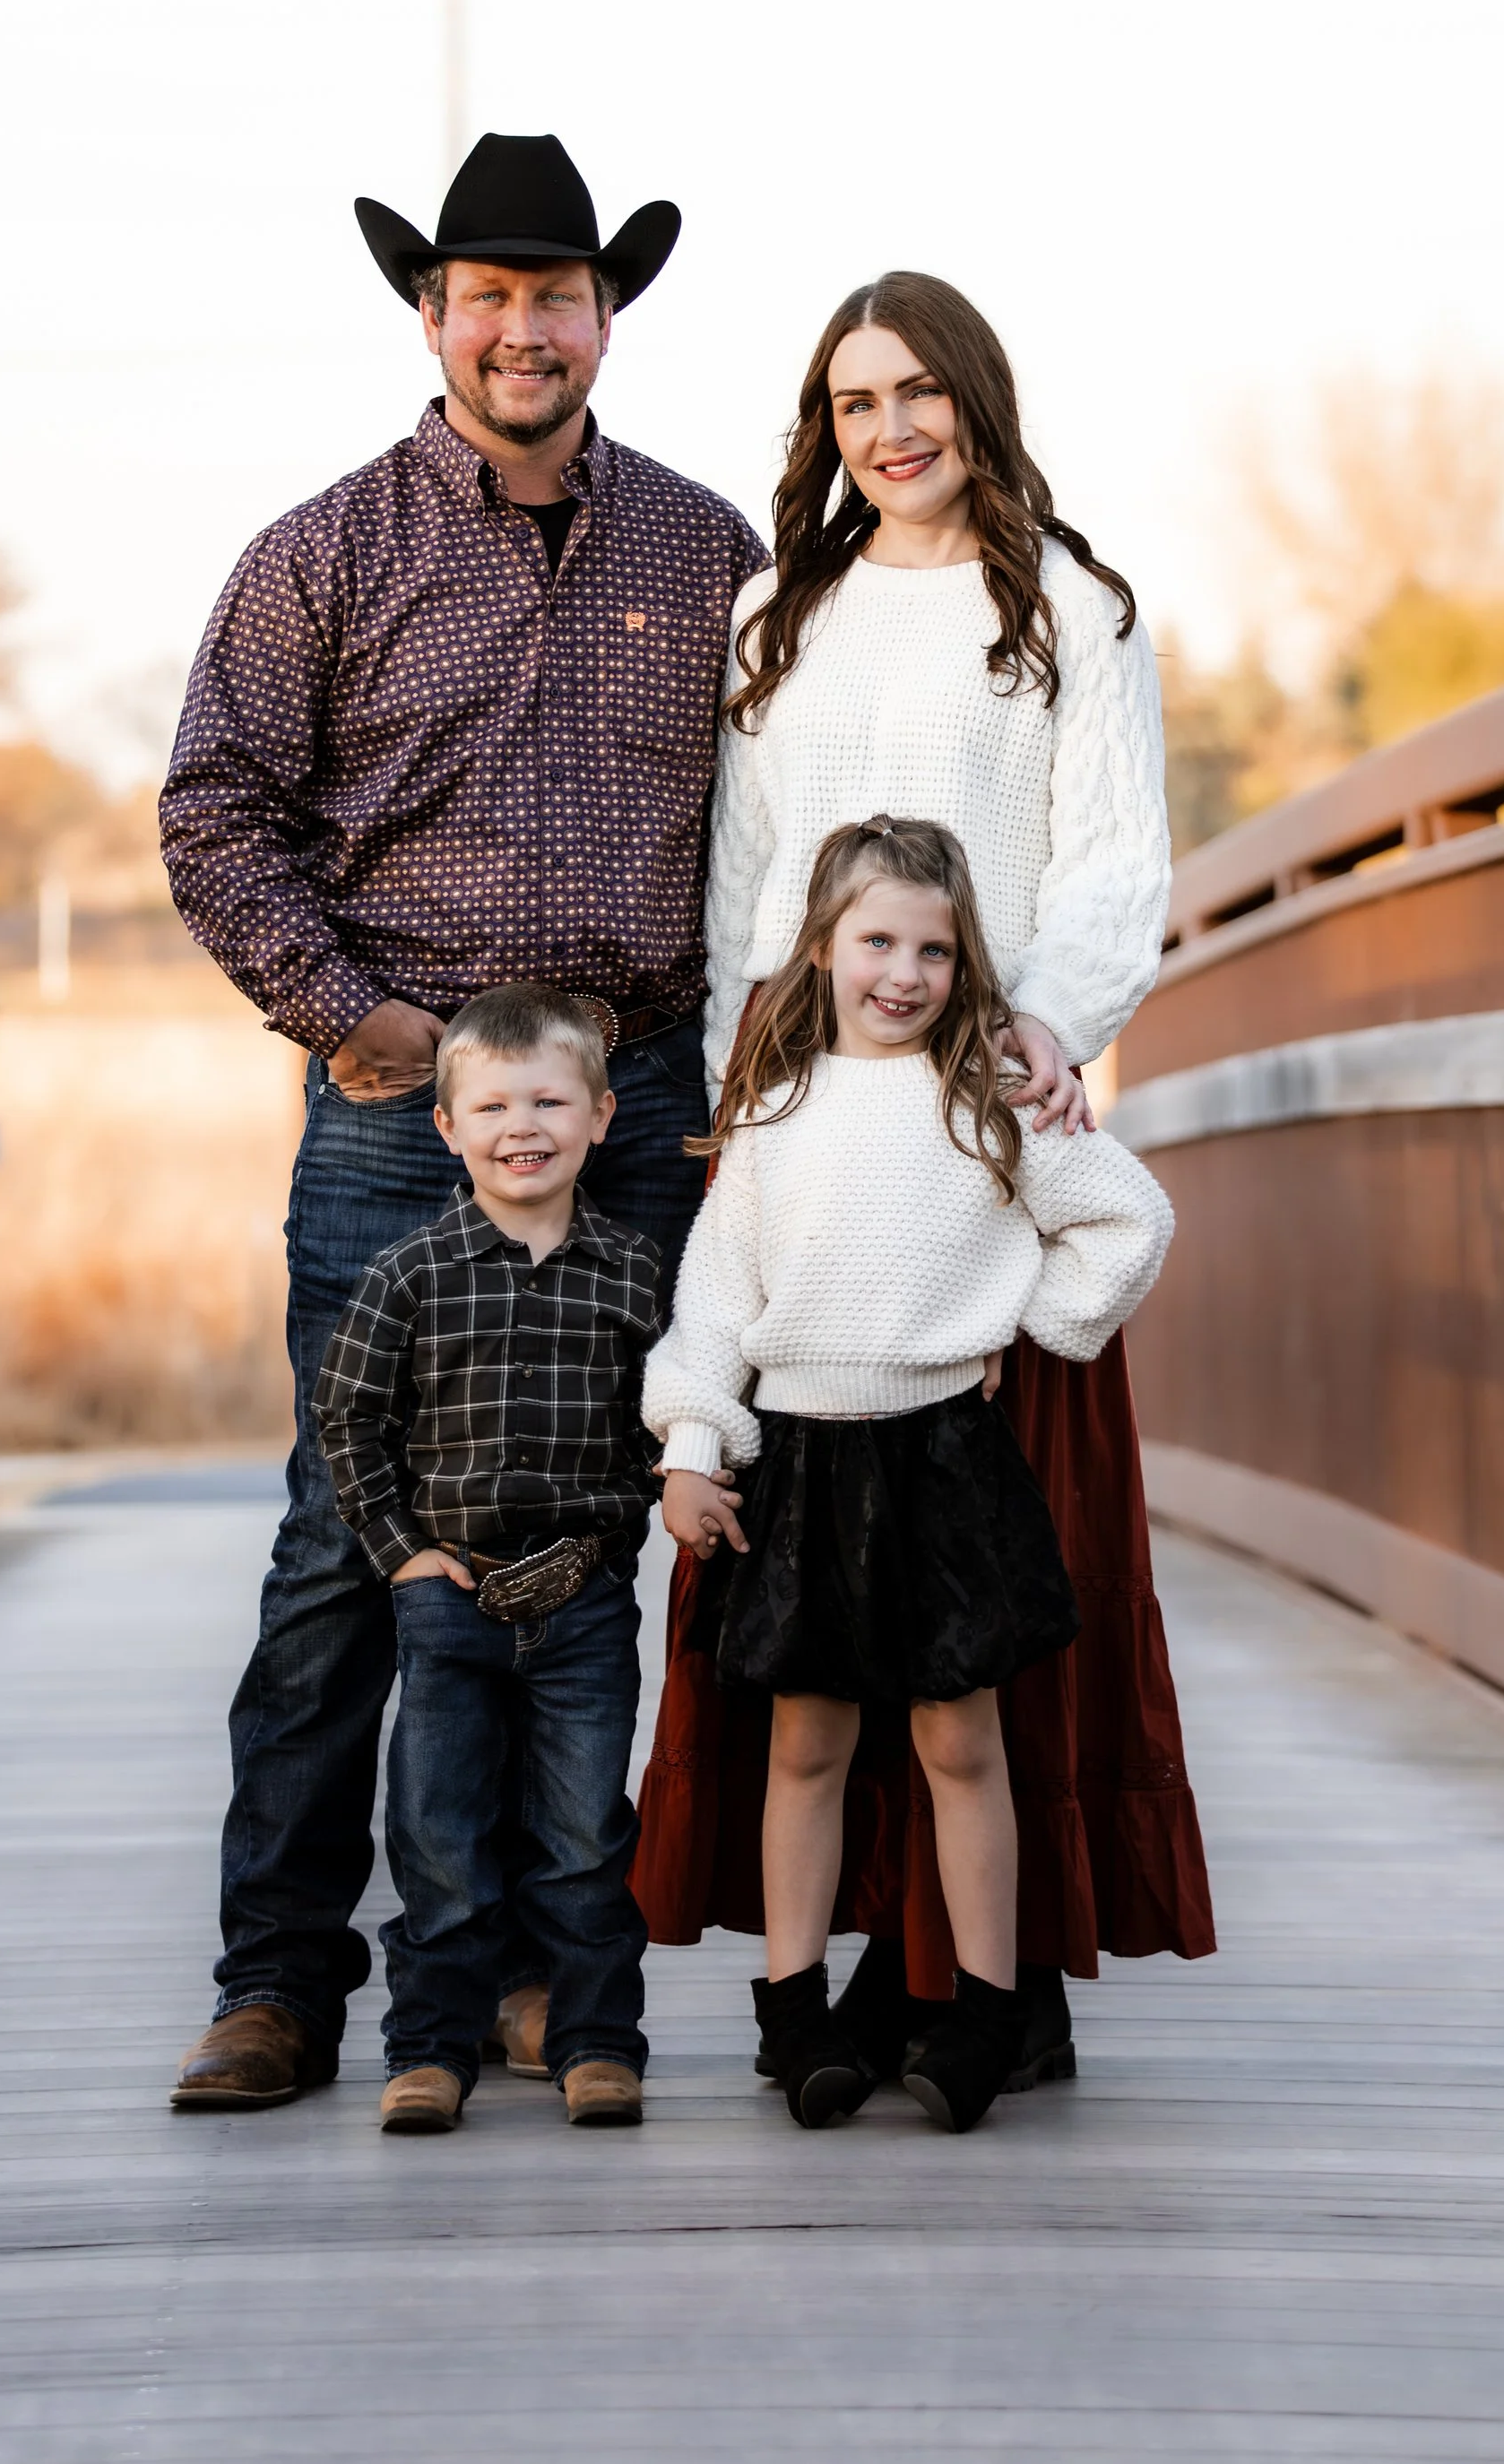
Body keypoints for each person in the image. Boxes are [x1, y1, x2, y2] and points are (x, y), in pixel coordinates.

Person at [160, 131, 765, 2109]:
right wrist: (360, 1025)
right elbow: (216, 813)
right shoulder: (320, 554)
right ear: (432, 318)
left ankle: (519, 1973)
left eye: (558, 294)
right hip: (398, 1117)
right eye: (487, 296)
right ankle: (276, 1984)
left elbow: (784, 829)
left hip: (643, 1095)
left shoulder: (705, 558)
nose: (524, 328)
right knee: (353, 1538)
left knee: (596, 1529)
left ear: (607, 319)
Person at [634, 269, 1215, 2079]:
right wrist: (750, 1089)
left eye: (913, 394)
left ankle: (986, 1981)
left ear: (972, 397)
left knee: (981, 1615)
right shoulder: (774, 615)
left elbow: (1113, 859)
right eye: (848, 401)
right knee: (813, 1626)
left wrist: (1044, 1022)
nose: (883, 431)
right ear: (823, 429)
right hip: (816, 1157)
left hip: (986, 1136)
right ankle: (817, 1983)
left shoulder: (1068, 607)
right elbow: (746, 883)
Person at [644, 817, 1175, 2132]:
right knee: (807, 1747)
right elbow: (716, 1297)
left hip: (944, 1458)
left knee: (961, 1741)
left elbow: (1131, 1218)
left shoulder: (983, 1103)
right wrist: (692, 1447)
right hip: (806, 1464)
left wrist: (1027, 1324)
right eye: (877, 939)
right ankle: (795, 2015)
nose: (905, 970)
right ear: (820, 947)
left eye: (935, 948)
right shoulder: (773, 1111)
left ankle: (986, 2011)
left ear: (964, 963)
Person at [315, 987, 659, 2134]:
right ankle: (429, 2048)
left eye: (552, 1100)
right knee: (440, 1834)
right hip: (448, 1600)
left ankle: (596, 2041)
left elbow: (672, 1414)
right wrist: (398, 1553)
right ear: (447, 1127)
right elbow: (348, 1418)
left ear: (602, 1117)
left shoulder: (632, 1275)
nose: (525, 1125)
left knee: (583, 1837)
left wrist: (643, 1523)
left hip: (584, 1600)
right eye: (495, 1103)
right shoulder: (409, 1272)